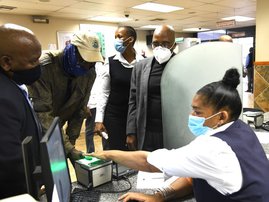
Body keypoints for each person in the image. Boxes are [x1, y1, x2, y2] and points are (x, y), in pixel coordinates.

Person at [89, 68, 269, 202]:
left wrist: (106, 154)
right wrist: (160, 196)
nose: (192, 116)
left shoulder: (213, 148)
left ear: (221, 116)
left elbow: (148, 162)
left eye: (198, 112)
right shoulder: (242, 129)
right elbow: (193, 176)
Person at [27, 31, 103, 164]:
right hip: (37, 132)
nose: (87, 66)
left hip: (58, 132)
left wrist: (71, 145)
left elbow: (80, 109)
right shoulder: (45, 67)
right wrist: (68, 148)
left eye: (92, 63)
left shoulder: (89, 73)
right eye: (84, 60)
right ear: (72, 50)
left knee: (60, 172)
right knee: (41, 173)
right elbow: (43, 114)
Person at [0, 24, 42, 199]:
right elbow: (9, 163)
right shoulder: (3, 97)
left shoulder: (11, 83)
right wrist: (32, 188)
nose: (38, 65)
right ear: (6, 62)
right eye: (33, 61)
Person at [126, 25, 176, 151]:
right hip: (147, 132)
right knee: (147, 167)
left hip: (174, 132)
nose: (160, 47)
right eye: (156, 43)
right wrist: (131, 131)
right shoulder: (140, 67)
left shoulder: (183, 65)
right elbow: (133, 101)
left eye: (165, 43)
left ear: (174, 45)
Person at [94, 26, 144, 150]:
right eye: (115, 37)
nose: (116, 40)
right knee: (117, 152)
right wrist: (99, 120)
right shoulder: (110, 62)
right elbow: (103, 92)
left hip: (135, 117)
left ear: (130, 40)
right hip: (114, 116)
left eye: (119, 37)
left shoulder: (143, 63)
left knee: (135, 151)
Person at [85, 60, 104, 153]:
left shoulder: (101, 65)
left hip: (101, 102)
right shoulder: (87, 66)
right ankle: (90, 151)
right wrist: (86, 105)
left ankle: (107, 152)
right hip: (91, 104)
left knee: (104, 129)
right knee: (90, 130)